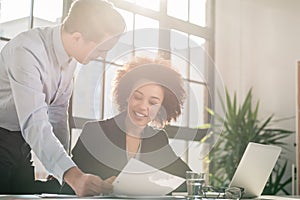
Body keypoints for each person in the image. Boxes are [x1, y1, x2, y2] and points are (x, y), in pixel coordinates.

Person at [0, 0, 125, 196]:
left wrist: (60, 169)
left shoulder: (70, 56)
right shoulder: (26, 51)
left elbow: (58, 114)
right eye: (100, 50)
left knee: (24, 195)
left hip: (21, 142)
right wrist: (73, 175)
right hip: (3, 135)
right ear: (77, 37)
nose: (101, 57)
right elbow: (35, 122)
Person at [61, 56, 191, 194]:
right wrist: (99, 187)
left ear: (162, 107)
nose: (142, 107)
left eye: (152, 103)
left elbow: (186, 179)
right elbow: (68, 189)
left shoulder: (158, 138)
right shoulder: (95, 132)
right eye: (138, 97)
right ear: (127, 95)